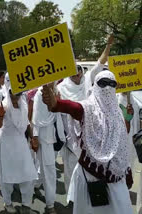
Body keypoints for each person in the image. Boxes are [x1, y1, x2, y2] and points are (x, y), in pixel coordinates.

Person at [42, 70, 134, 214]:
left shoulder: (117, 113)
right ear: (95, 86)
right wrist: (55, 103)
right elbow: (73, 108)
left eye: (112, 83)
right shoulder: (89, 108)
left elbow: (122, 146)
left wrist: (127, 172)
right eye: (103, 83)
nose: (108, 87)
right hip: (90, 177)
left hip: (115, 179)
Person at [56, 35, 114, 197]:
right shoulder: (61, 88)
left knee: (90, 171)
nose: (78, 75)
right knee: (71, 170)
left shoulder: (88, 80)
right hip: (70, 137)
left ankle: (90, 199)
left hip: (91, 134)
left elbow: (100, 63)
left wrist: (108, 45)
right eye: (74, 73)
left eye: (79, 72)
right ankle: (73, 200)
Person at [0, 85, 38, 214]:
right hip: (7, 144)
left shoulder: (23, 104)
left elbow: (26, 123)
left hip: (21, 144)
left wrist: (32, 138)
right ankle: (8, 203)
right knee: (7, 176)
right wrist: (1, 116)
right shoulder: (4, 105)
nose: (16, 95)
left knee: (28, 175)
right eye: (14, 92)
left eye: (19, 92)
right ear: (9, 92)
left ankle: (26, 204)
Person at [32, 81, 65, 214]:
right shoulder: (40, 94)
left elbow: (59, 114)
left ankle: (31, 185)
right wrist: (35, 136)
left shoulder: (56, 91)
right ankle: (50, 205)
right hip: (44, 137)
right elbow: (37, 116)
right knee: (50, 171)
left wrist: (57, 101)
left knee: (45, 168)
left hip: (55, 135)